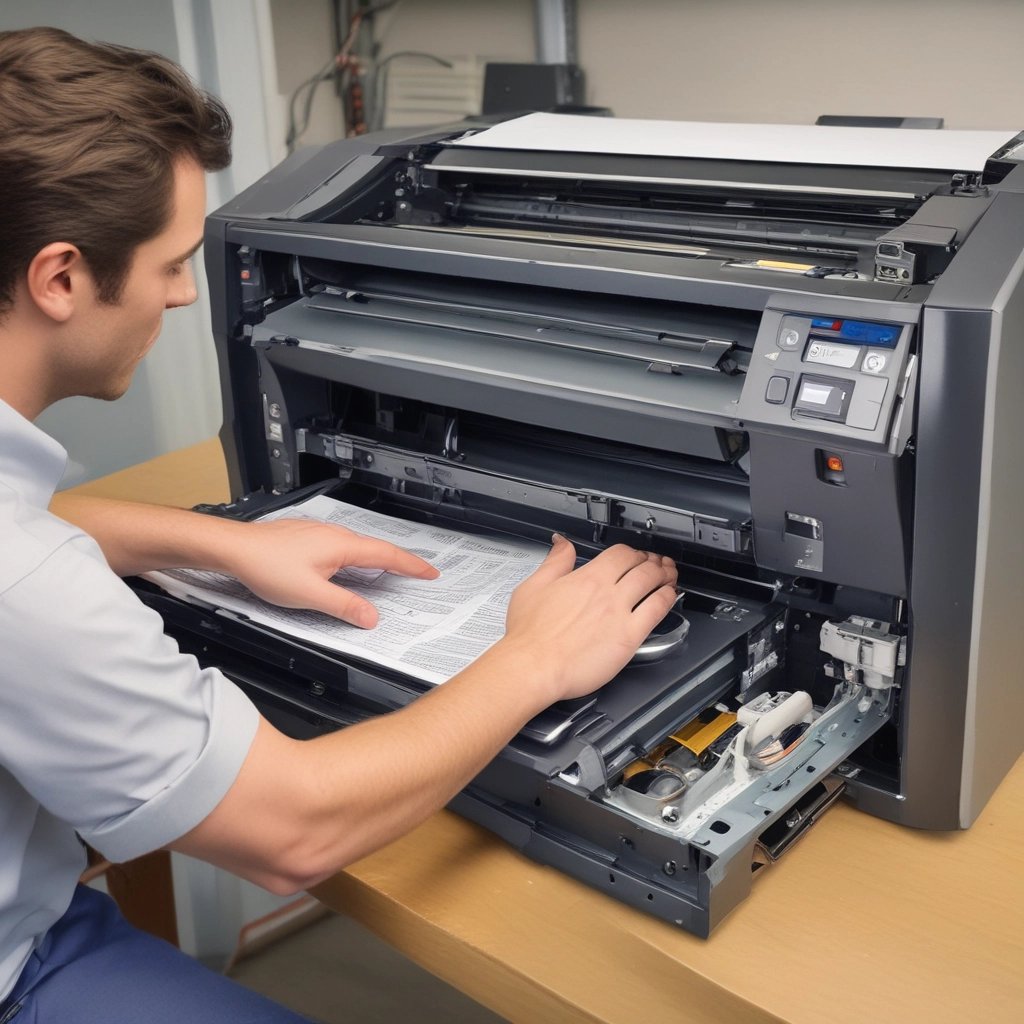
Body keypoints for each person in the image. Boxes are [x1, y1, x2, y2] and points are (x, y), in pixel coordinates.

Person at [0, 26, 677, 1023]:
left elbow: (35, 527)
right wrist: (536, 657)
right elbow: (295, 832)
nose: (185, 294)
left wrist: (225, 539)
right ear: (59, 278)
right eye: (173, 263)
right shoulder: (27, 583)